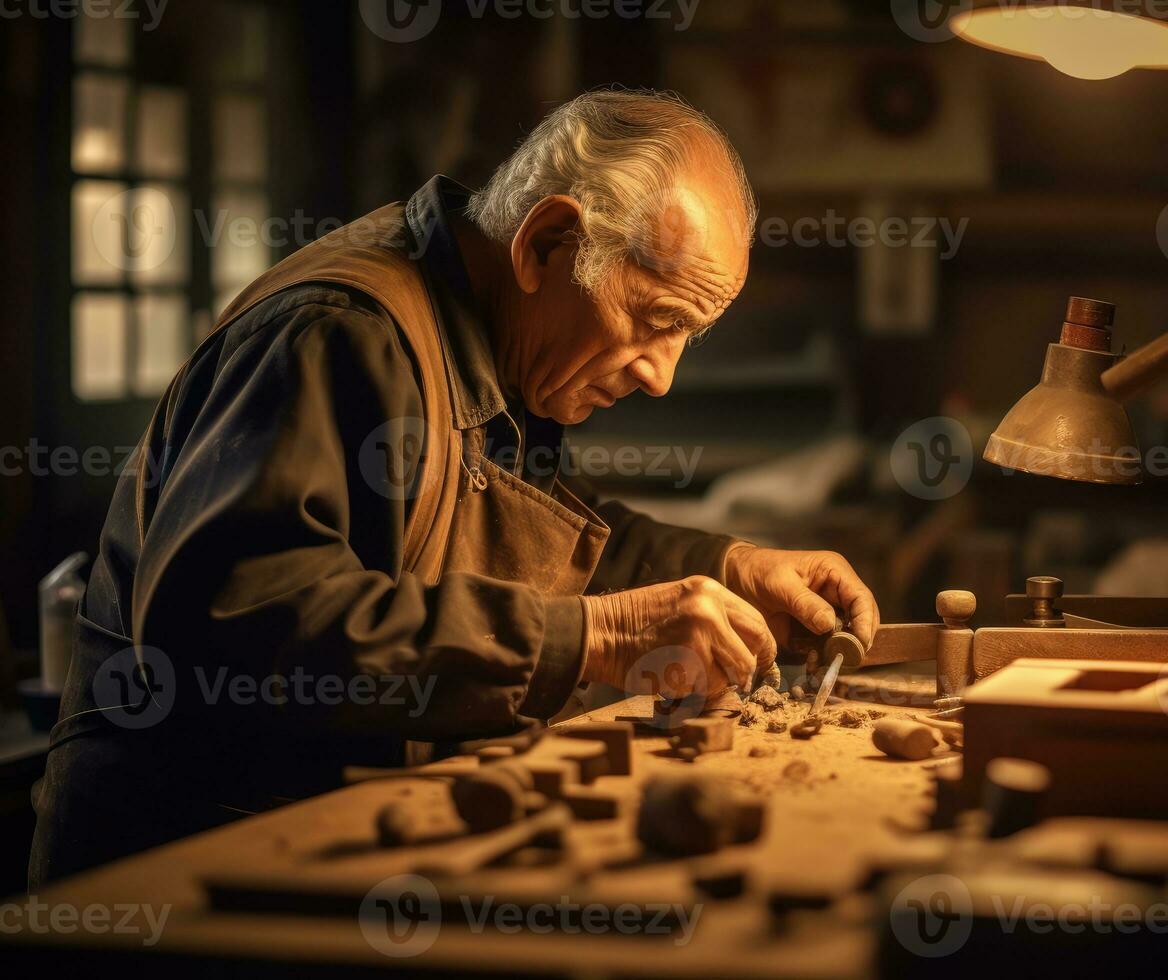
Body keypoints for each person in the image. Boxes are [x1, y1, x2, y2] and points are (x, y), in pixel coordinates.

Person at [30, 89, 879, 885]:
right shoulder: (336, 332)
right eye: (656, 320)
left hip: (322, 854)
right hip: (184, 875)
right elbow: (233, 622)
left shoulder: (486, 340)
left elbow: (539, 534)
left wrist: (732, 566)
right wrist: (590, 638)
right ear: (547, 241)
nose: (661, 376)